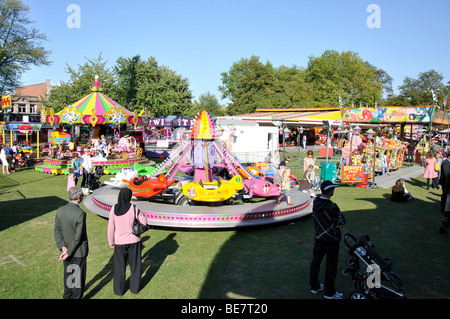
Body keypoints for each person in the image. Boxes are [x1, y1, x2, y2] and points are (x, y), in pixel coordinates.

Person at [310, 180, 345, 299]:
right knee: (331, 265)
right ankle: (329, 292)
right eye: (332, 189)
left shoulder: (316, 202)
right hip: (331, 240)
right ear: (329, 191)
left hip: (319, 238)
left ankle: (314, 286)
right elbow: (341, 220)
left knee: (316, 262)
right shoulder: (332, 206)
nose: (333, 190)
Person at [107, 188, 147, 296]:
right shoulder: (134, 208)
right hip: (134, 241)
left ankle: (119, 291)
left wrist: (111, 242)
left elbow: (110, 228)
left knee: (119, 267)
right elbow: (144, 222)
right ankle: (134, 288)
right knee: (135, 266)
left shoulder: (114, 209)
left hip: (119, 243)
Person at [53, 186, 89, 299]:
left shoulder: (60, 210)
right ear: (79, 197)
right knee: (78, 279)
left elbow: (57, 230)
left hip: (66, 249)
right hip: (77, 251)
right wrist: (69, 251)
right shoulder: (80, 213)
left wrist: (62, 247)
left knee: (69, 275)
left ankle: (67, 296)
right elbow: (78, 237)